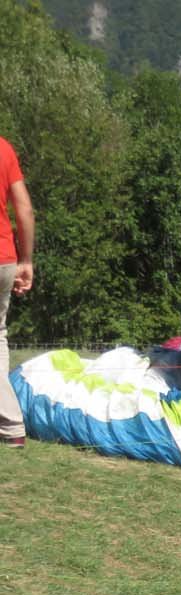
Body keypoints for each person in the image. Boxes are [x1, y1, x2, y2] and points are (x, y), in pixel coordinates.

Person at [0, 135, 35, 449]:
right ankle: (11, 428)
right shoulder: (4, 148)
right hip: (5, 259)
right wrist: (26, 260)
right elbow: (24, 208)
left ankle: (11, 424)